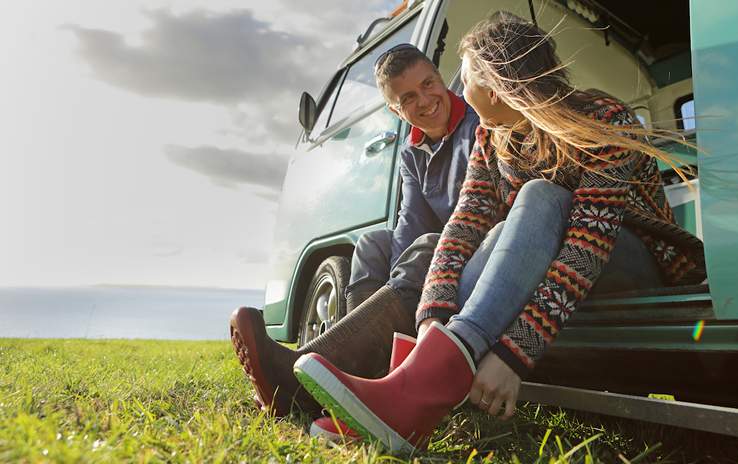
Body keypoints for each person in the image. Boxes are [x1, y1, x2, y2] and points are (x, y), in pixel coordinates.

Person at [292, 12, 707, 452]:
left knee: (542, 195)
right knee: (491, 235)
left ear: (495, 84)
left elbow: (586, 251)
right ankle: (406, 388)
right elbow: (463, 226)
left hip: (637, 262)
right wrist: (432, 314)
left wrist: (513, 353)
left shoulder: (604, 119)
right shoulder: (493, 137)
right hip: (562, 269)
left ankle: (423, 382)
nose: (458, 88)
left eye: (464, 76)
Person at [228, 44, 480, 424]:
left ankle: (304, 375)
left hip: (476, 238)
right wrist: (396, 278)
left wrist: (413, 268)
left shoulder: (475, 122)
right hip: (443, 245)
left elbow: (476, 210)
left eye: (428, 84)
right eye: (408, 97)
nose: (425, 100)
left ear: (441, 79)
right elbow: (410, 217)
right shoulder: (412, 153)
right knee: (373, 243)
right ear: (396, 110)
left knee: (430, 246)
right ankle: (361, 375)